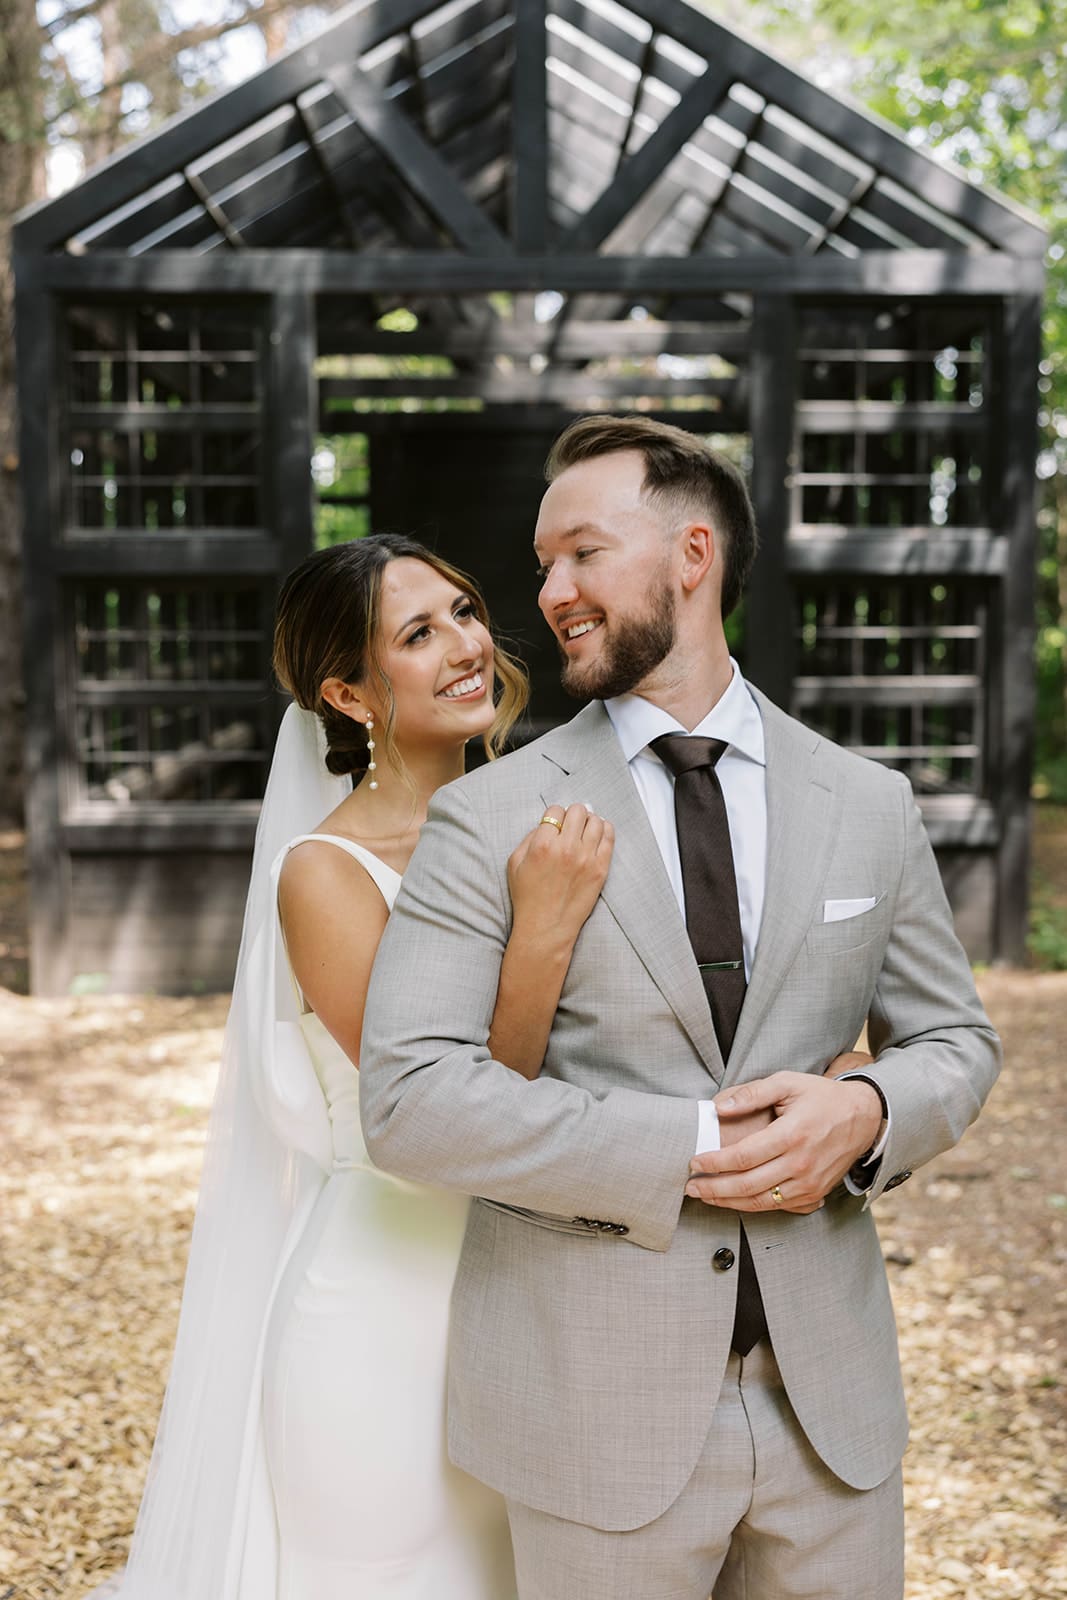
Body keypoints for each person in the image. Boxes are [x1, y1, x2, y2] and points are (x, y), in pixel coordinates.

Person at [359, 416, 1002, 1600]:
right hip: (590, 1410)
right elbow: (409, 1101)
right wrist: (691, 1143)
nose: (547, 592)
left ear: (690, 555)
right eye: (542, 563)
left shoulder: (866, 801)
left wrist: (861, 1111)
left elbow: (955, 1042)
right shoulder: (488, 817)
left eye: (582, 554)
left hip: (833, 1421)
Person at [112, 533, 616, 1600]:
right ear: (347, 691)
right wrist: (542, 930)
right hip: (382, 1304)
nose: (466, 645)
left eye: (466, 612)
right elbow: (445, 1112)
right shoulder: (324, 876)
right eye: (418, 633)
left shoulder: (546, 822)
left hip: (533, 1289)